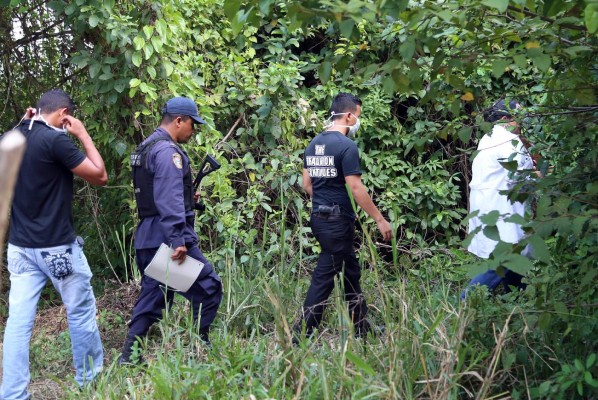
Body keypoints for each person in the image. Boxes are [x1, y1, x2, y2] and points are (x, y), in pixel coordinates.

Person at [1, 89, 107, 400]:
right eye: (68, 119)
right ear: (63, 114)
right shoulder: (57, 140)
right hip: (57, 248)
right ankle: (89, 384)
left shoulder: (14, 137)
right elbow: (99, 175)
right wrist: (83, 134)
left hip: (19, 248)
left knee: (18, 323)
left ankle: (13, 394)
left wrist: (22, 123)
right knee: (80, 311)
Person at [119, 97, 222, 364]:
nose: (193, 131)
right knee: (208, 288)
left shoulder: (146, 147)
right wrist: (178, 238)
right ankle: (199, 348)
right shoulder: (168, 152)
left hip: (149, 236)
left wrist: (190, 200)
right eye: (192, 125)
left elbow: (156, 195)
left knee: (155, 295)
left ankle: (130, 357)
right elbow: (167, 198)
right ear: (178, 121)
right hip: (167, 239)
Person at [294, 93, 393, 340]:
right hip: (337, 222)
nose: (358, 121)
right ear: (349, 115)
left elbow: (306, 184)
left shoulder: (313, 143)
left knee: (350, 271)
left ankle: (361, 327)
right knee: (324, 276)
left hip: (319, 217)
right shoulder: (347, 146)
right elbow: (356, 188)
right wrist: (380, 219)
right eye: (357, 116)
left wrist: (326, 198)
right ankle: (301, 334)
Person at [462, 99, 534, 299]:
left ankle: (518, 303)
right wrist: (538, 177)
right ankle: (464, 302)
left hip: (490, 206)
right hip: (500, 209)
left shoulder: (488, 138)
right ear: (505, 119)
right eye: (519, 117)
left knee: (515, 258)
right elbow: (518, 178)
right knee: (503, 260)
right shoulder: (508, 140)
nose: (522, 122)